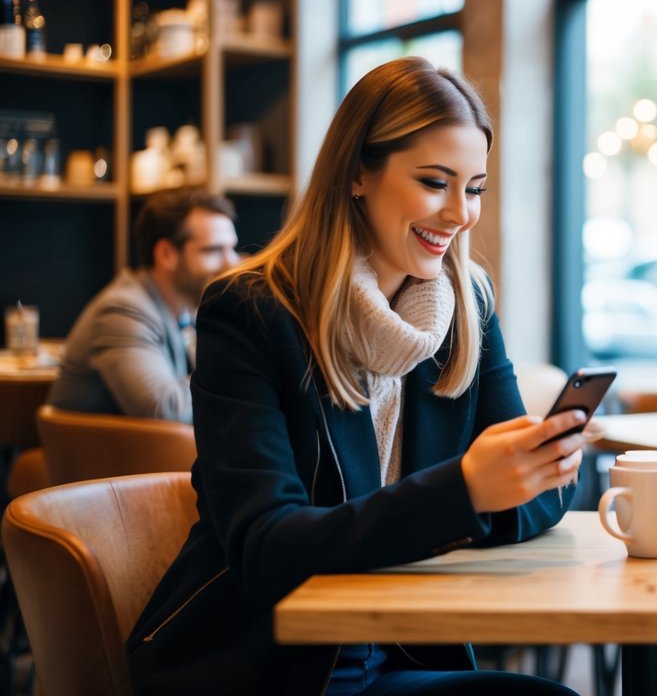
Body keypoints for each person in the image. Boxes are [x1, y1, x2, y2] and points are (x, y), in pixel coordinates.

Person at [126, 58, 583, 696]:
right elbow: (267, 549)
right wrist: (467, 494)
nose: (460, 214)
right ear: (358, 174)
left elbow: (546, 497)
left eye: (474, 187)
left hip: (406, 649)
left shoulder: (465, 307)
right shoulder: (251, 312)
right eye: (434, 182)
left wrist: (507, 484)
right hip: (272, 663)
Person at [47, 187, 239, 422]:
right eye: (214, 250)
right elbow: (166, 410)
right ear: (166, 254)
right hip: (96, 457)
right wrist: (239, 359)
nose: (233, 264)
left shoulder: (186, 310)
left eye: (232, 248)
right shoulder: (122, 312)